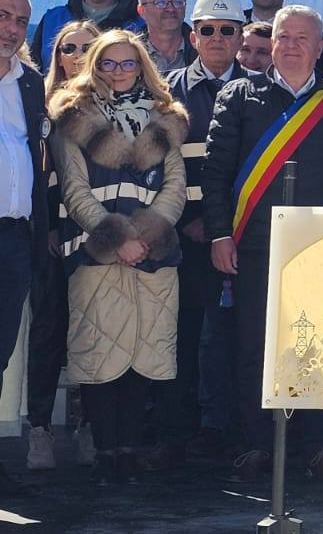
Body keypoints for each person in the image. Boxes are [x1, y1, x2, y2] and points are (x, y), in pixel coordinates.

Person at [202, 6, 323, 484]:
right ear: (270, 43)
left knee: (321, 348)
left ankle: (317, 445)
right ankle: (256, 444)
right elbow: (215, 173)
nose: (292, 45)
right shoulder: (239, 96)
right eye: (284, 36)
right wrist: (219, 233)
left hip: (322, 252)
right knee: (253, 348)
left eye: (303, 38)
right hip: (254, 247)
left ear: (320, 47)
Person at [48, 30, 188, 484]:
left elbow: (176, 188)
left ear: (142, 67)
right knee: (100, 358)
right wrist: (118, 238)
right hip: (96, 254)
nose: (118, 72)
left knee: (143, 355)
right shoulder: (73, 116)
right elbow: (74, 191)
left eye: (128, 63)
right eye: (108, 63)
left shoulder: (166, 117)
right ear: (94, 66)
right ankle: (105, 452)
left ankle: (129, 451)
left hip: (152, 254)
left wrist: (145, 235)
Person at [154, 0, 247, 469]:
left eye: (227, 29)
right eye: (207, 29)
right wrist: (189, 222)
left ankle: (226, 431)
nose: (217, 37)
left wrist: (223, 228)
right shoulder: (166, 93)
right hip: (183, 239)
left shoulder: (258, 90)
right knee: (184, 335)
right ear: (193, 37)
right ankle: (178, 431)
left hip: (237, 240)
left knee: (231, 339)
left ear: (240, 36)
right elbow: (157, 165)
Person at [23, 19, 99, 475]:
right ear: (57, 56)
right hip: (53, 235)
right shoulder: (41, 102)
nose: (78, 55)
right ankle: (40, 428)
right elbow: (41, 174)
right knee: (49, 329)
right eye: (69, 48)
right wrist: (51, 226)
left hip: (98, 236)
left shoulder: (114, 103)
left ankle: (88, 424)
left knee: (91, 330)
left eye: (88, 47)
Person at [0, 0, 49, 496]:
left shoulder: (30, 83)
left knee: (0, 351)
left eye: (20, 21)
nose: (11, 29)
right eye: (3, 16)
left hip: (14, 237)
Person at [135, 0, 196, 76]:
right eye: (160, 2)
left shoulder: (203, 52)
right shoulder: (128, 54)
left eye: (177, 1)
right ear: (141, 11)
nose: (170, 8)